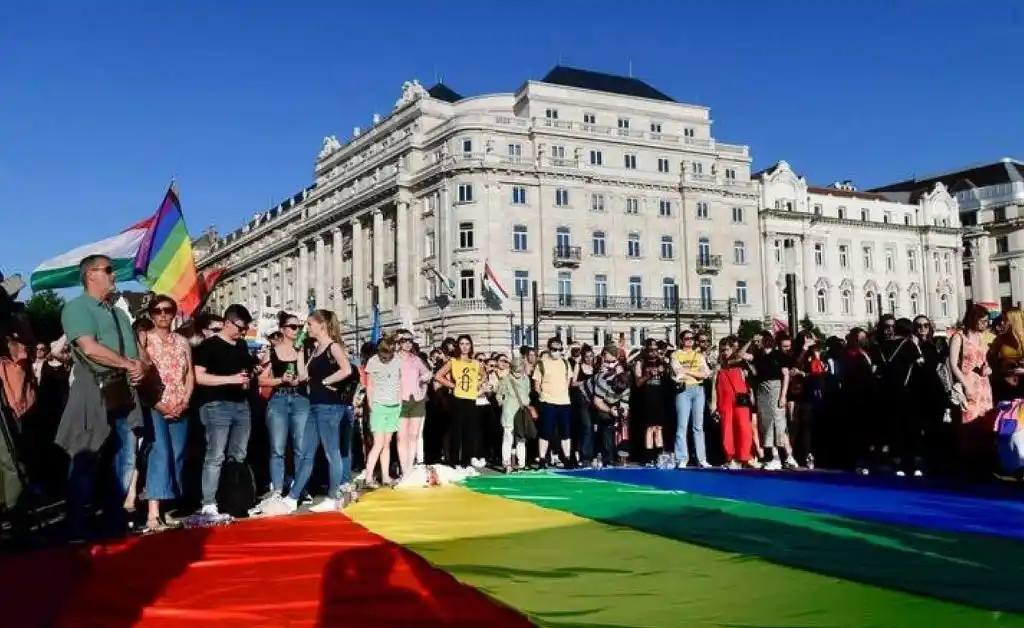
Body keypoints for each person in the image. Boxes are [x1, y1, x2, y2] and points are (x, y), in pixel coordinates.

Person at [56, 254, 148, 540]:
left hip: (124, 391)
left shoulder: (119, 313)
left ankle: (113, 521)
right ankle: (76, 527)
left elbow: (138, 353)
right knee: (86, 458)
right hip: (93, 391)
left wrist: (141, 367)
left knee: (124, 459)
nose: (113, 275)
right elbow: (89, 347)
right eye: (108, 270)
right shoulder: (77, 307)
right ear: (89, 275)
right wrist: (128, 364)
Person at [272, 310, 353, 513]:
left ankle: (334, 495)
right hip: (314, 405)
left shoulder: (332, 347)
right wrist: (299, 352)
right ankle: (293, 497)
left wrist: (326, 381)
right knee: (307, 452)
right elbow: (303, 376)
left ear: (322, 325)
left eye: (309, 324)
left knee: (330, 451)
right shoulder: (315, 349)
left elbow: (347, 369)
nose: (305, 328)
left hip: (330, 406)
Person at [191, 304, 256, 522]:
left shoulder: (242, 345)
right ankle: (208, 502)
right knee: (215, 455)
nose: (242, 332)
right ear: (227, 323)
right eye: (240, 327)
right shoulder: (208, 346)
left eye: (245, 328)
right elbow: (199, 377)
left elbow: (246, 371)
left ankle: (233, 499)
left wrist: (246, 381)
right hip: (216, 405)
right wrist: (231, 379)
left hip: (241, 404)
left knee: (238, 455)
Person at [141, 295, 194, 531]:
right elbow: (141, 375)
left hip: (180, 405)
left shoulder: (183, 342)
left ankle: (166, 509)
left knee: (177, 456)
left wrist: (185, 401)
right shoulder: (145, 339)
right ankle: (152, 514)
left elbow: (190, 374)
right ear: (151, 314)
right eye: (158, 310)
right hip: (156, 405)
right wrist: (159, 403)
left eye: (168, 310)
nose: (163, 315)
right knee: (159, 454)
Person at [257, 311, 309, 500]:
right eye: (293, 327)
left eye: (300, 327)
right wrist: (280, 379)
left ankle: (299, 487)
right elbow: (261, 380)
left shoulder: (302, 349)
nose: (297, 330)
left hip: (299, 399)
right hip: (279, 398)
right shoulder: (272, 351)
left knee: (300, 447)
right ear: (283, 329)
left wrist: (298, 377)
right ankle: (277, 489)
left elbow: (303, 374)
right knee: (277, 447)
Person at [363, 335, 402, 486]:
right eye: (383, 355)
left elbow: (399, 383)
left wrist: (399, 404)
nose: (385, 358)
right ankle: (368, 477)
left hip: (394, 406)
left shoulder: (398, 361)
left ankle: (385, 476)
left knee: (387, 443)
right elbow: (370, 385)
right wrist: (372, 405)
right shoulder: (373, 361)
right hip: (379, 405)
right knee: (378, 443)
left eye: (388, 355)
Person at [670, 330, 712, 469]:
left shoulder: (699, 355)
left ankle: (702, 458)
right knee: (682, 425)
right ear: (682, 340)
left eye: (692, 339)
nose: (690, 341)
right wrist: (695, 373)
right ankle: (682, 457)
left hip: (698, 389)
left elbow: (706, 374)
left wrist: (687, 371)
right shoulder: (675, 354)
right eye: (687, 339)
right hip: (683, 390)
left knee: (698, 426)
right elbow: (677, 372)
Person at [533, 337, 574, 468]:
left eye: (560, 349)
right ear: (549, 349)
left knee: (566, 432)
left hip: (564, 402)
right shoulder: (542, 363)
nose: (557, 352)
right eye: (554, 349)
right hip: (548, 402)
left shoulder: (566, 363)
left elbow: (568, 382)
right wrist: (543, 396)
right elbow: (536, 384)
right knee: (545, 432)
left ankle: (567, 458)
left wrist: (562, 394)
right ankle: (542, 458)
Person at [396, 330, 432, 478]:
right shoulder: (393, 359)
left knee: (414, 435)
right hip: (399, 400)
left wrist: (424, 382)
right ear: (398, 342)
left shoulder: (416, 359)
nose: (408, 343)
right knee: (401, 436)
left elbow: (427, 374)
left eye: (410, 340)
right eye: (404, 340)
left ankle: (409, 469)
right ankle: (404, 469)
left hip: (417, 400)